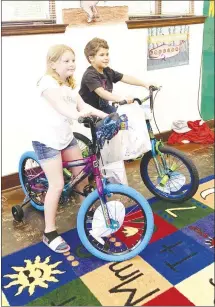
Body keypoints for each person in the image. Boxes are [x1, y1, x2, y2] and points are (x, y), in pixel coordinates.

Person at [32, 44, 107, 253]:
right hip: (47, 141)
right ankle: (49, 232)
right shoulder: (46, 83)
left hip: (65, 138)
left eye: (73, 60)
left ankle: (87, 214)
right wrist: (78, 116)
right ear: (53, 64)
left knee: (82, 179)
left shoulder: (69, 85)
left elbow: (84, 107)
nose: (71, 64)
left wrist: (107, 117)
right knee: (56, 185)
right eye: (66, 61)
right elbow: (61, 107)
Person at [79, 37, 154, 114]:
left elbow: (125, 77)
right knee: (120, 121)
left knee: (129, 115)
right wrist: (121, 98)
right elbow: (102, 92)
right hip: (90, 113)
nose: (106, 58)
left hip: (105, 108)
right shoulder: (89, 75)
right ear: (91, 58)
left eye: (107, 54)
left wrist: (145, 84)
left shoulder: (107, 71)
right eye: (102, 55)